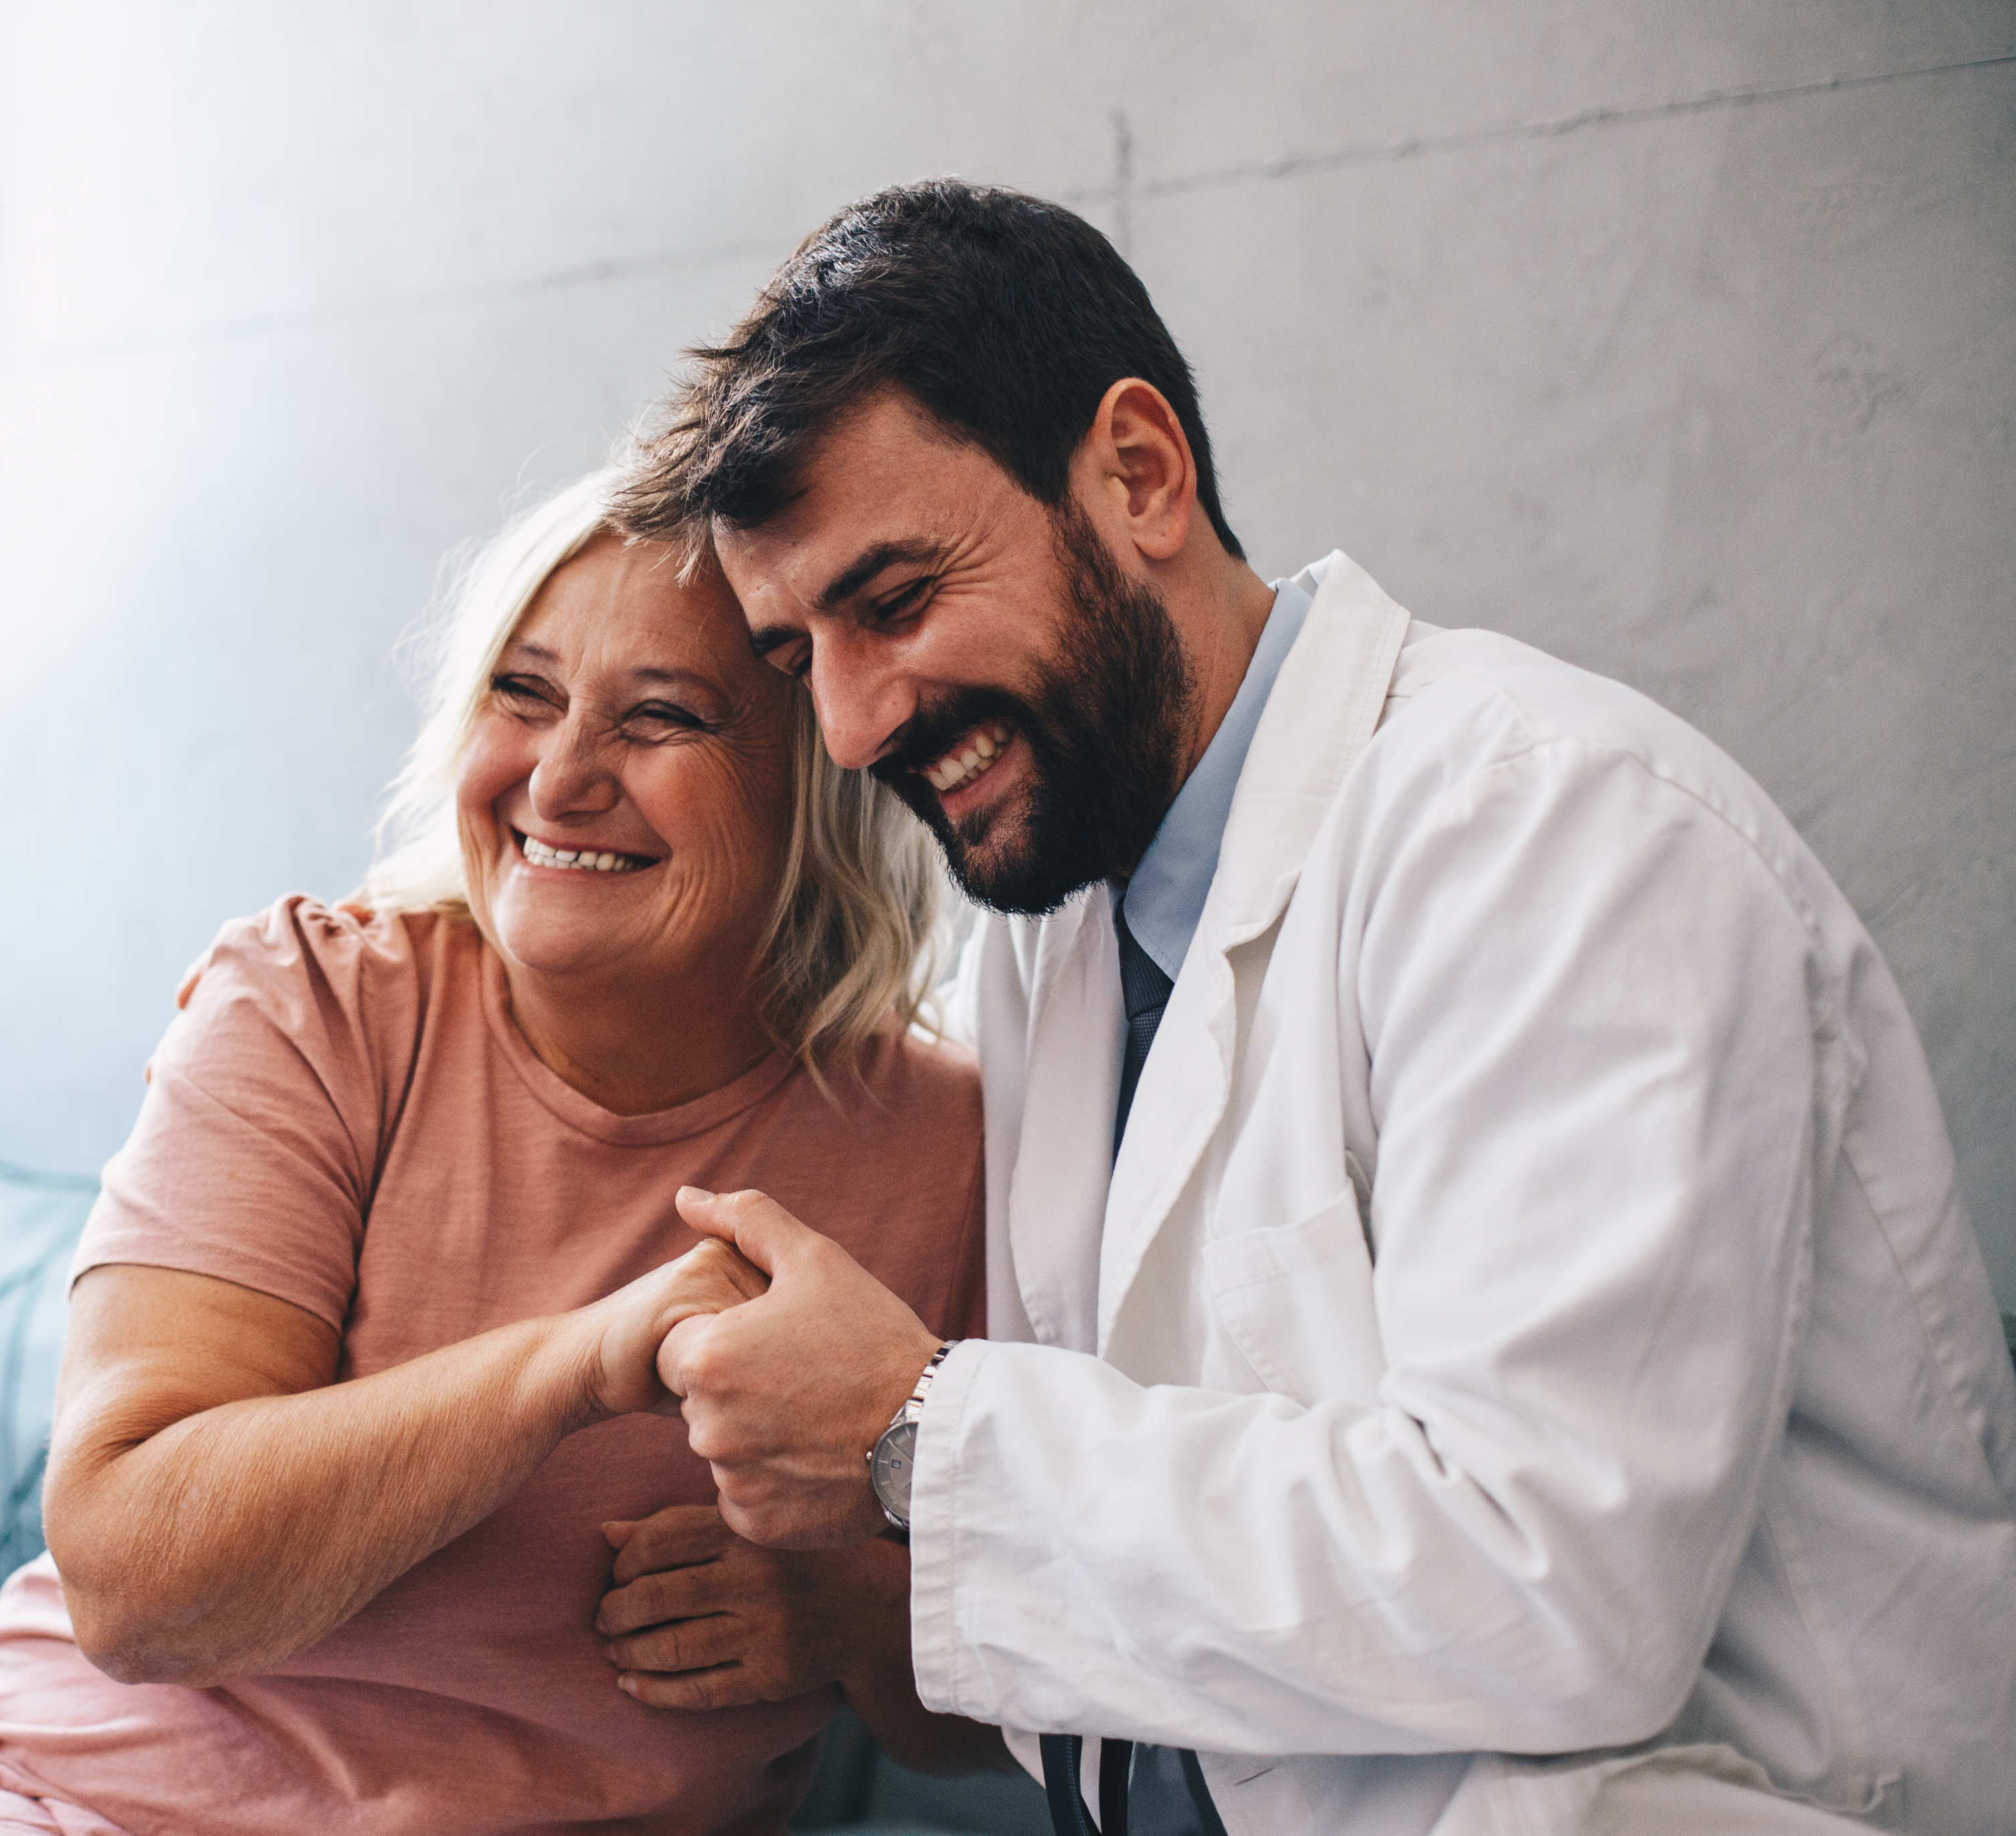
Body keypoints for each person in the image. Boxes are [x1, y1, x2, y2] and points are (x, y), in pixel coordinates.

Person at [611, 180, 2016, 1835]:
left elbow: (1550, 1586)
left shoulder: (1553, 827)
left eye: (896, 600)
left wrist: (919, 1427)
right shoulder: (1054, 926)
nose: (847, 730)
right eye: (795, 661)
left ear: (1137, 474)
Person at [0, 469, 1009, 1836]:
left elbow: (1015, 1705)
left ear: (811, 783)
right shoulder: (309, 1006)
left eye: (659, 719)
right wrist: (573, 1362)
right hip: (63, 1803)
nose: (560, 777)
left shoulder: (951, 1147)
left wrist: (848, 1609)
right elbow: (129, 1579)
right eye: (522, 695)